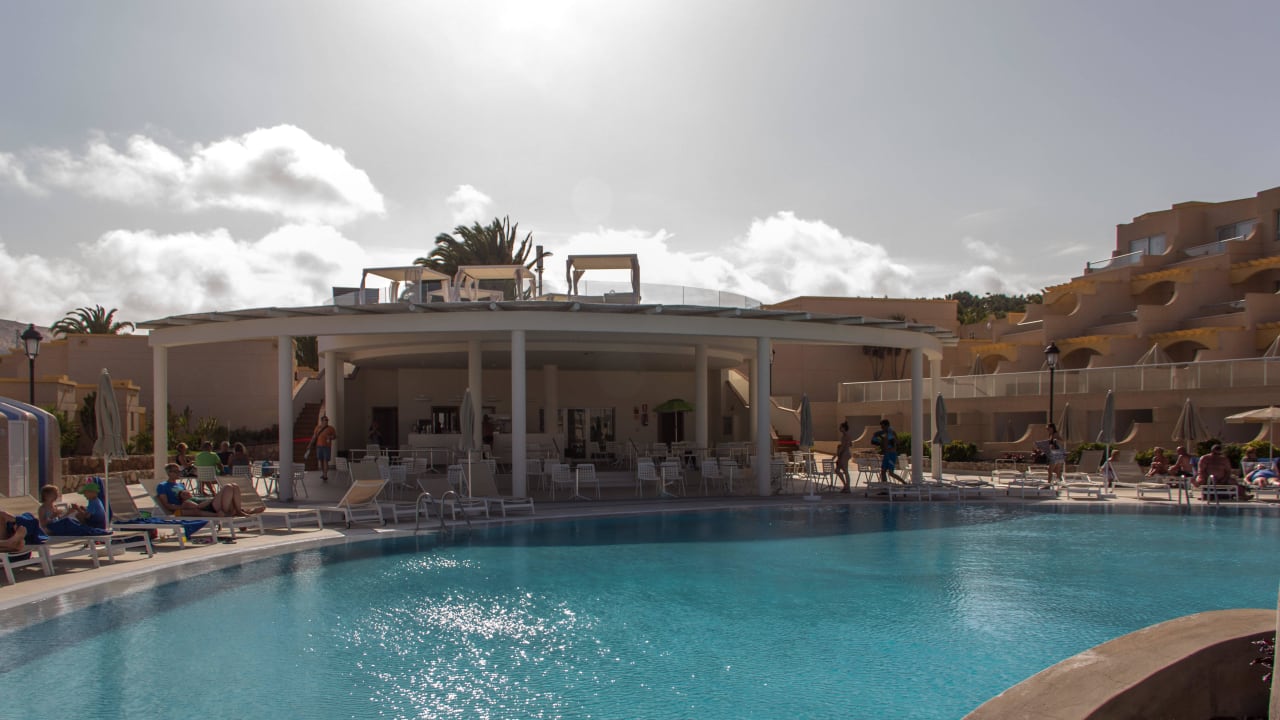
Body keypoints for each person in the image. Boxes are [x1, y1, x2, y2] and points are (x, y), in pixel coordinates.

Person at [155, 463, 263, 517]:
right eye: (175, 471)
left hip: (204, 502)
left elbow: (192, 498)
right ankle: (237, 511)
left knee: (234, 486)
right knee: (228, 487)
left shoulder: (181, 485)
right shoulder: (163, 486)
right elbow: (167, 505)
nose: (178, 473)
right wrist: (183, 507)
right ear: (169, 473)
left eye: (179, 471)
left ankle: (240, 511)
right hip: (205, 506)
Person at [872, 419, 904, 483]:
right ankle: (885, 485)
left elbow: (897, 442)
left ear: (887, 426)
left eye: (883, 427)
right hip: (886, 454)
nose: (882, 428)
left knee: (891, 473)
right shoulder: (883, 434)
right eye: (881, 427)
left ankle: (904, 483)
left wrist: (893, 439)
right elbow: (883, 442)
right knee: (883, 471)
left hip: (891, 454)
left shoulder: (892, 433)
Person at [310, 416, 337, 482]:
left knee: (325, 460)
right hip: (319, 446)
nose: (326, 421)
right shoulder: (317, 428)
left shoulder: (331, 428)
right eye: (325, 420)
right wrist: (310, 445)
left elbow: (335, 436)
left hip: (327, 447)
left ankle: (325, 475)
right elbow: (314, 436)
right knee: (321, 460)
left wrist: (330, 437)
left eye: (327, 420)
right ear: (322, 421)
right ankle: (323, 473)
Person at [835, 421, 853, 493]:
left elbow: (843, 446)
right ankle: (846, 485)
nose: (840, 428)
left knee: (845, 471)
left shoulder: (846, 436)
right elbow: (850, 444)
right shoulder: (846, 436)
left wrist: (837, 453)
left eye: (841, 427)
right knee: (837, 470)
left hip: (845, 454)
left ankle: (847, 487)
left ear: (844, 428)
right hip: (844, 453)